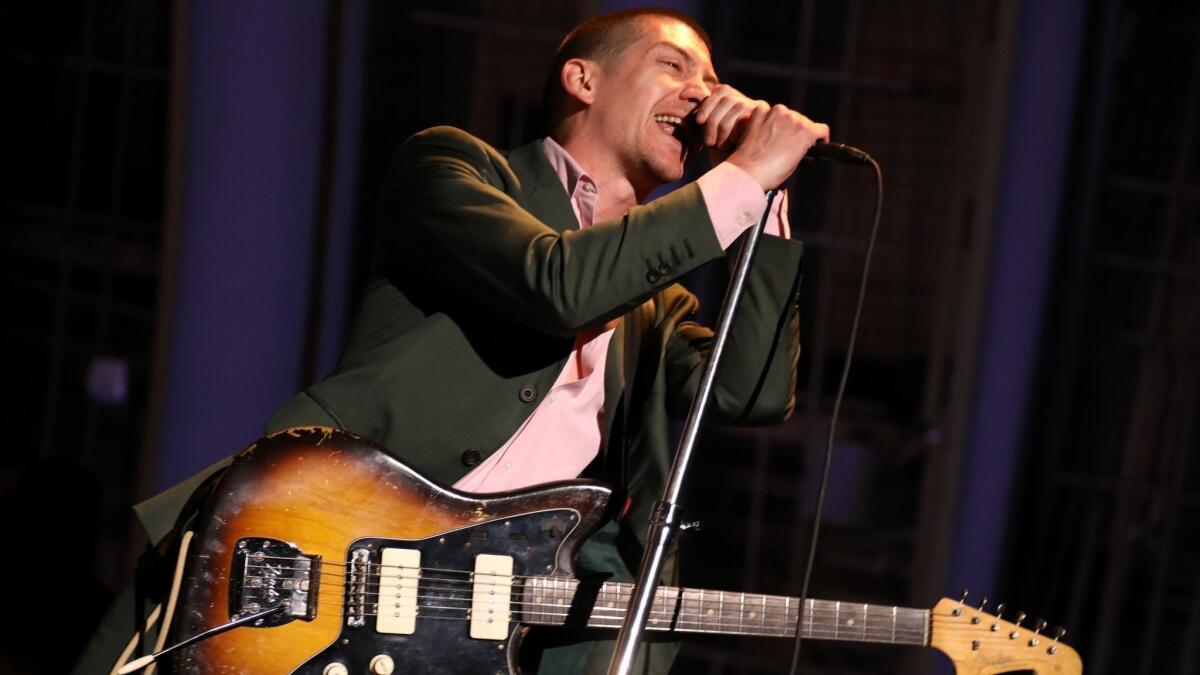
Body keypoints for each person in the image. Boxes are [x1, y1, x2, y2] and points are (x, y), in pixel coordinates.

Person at [74, 8, 828, 674]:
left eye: (712, 75)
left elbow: (749, 390)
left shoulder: (656, 306)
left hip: (450, 625)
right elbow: (557, 283)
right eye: (675, 65)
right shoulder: (454, 167)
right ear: (582, 80)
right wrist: (739, 175)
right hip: (313, 549)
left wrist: (766, 201)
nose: (704, 92)